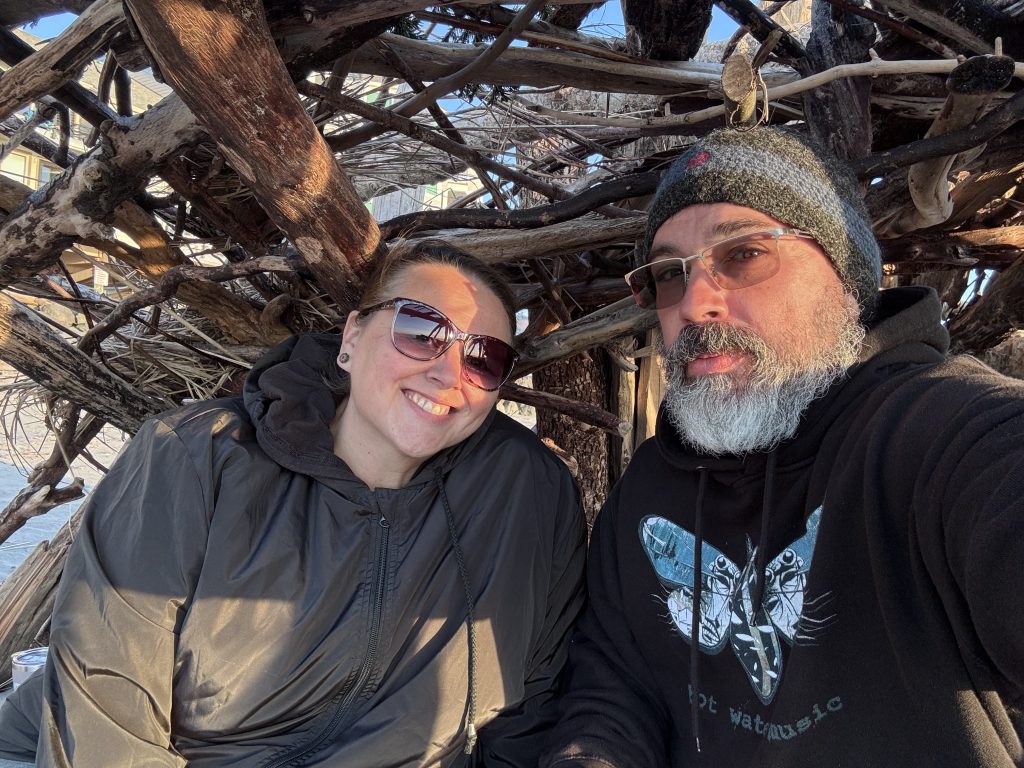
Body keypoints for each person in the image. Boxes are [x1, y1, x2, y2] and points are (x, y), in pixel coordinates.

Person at [540, 126, 1024, 767]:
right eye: (667, 275)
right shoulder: (649, 489)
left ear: (849, 284)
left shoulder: (941, 434)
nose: (694, 303)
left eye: (742, 255)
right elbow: (616, 689)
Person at [10, 240, 586, 766]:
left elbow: (529, 710)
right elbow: (108, 714)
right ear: (353, 337)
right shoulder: (194, 460)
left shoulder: (527, 494)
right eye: (420, 329)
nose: (447, 371)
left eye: (484, 357)